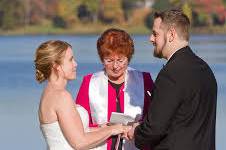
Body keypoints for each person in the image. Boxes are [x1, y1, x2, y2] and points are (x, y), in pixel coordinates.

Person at [127, 9, 217, 150]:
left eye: (155, 34)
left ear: (171, 34)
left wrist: (136, 132)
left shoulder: (170, 74)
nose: (151, 39)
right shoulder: (205, 70)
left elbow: (154, 129)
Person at [34, 40, 130, 150]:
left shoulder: (50, 93)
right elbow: (80, 143)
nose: (75, 64)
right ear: (56, 66)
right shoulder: (61, 96)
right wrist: (112, 130)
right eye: (70, 60)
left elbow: (69, 133)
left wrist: (101, 129)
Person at [75, 28, 154, 150]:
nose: (115, 66)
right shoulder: (89, 82)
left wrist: (137, 126)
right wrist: (100, 128)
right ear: (102, 59)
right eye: (109, 60)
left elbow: (155, 120)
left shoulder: (144, 80)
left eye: (120, 60)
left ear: (128, 58)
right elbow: (79, 125)